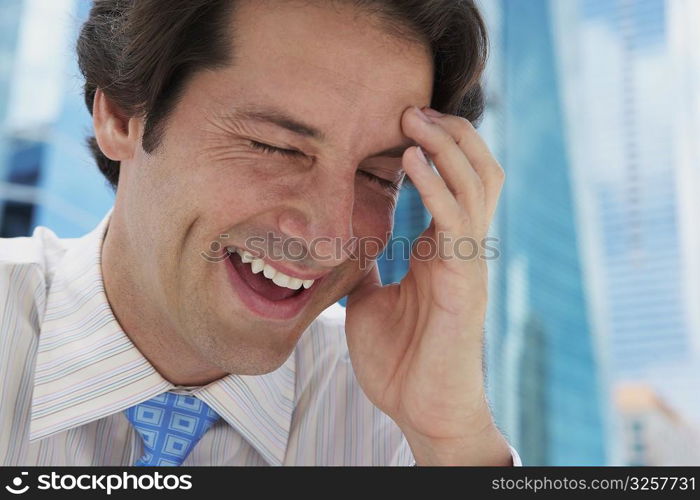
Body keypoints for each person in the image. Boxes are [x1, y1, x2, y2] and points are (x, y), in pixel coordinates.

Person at [0, 0, 521, 466]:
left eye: (378, 177)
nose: (330, 236)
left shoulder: (401, 428)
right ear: (120, 115)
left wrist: (453, 443)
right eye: (277, 148)